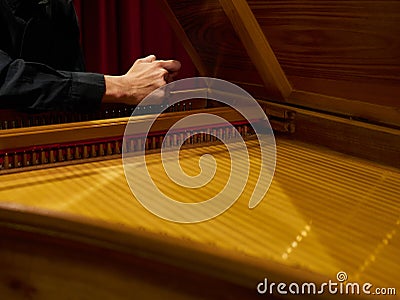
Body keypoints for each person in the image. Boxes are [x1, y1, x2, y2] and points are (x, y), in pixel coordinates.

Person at [0, 0, 181, 112]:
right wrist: (123, 86)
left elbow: (72, 98)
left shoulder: (59, 5)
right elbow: (6, 79)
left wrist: (139, 84)